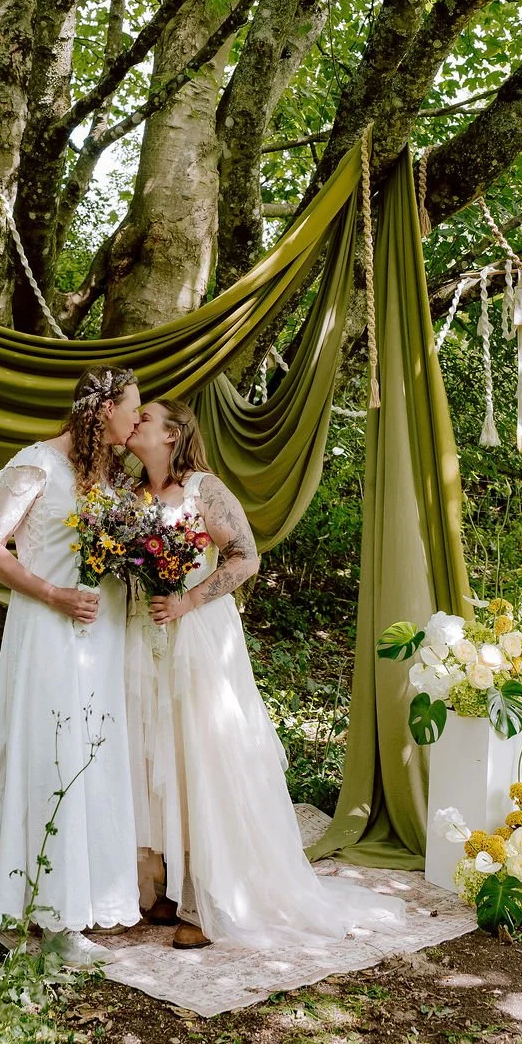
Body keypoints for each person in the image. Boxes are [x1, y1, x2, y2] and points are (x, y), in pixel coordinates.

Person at [124, 399, 405, 949]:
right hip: (141, 637)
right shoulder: (130, 496)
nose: (136, 422)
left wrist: (188, 600)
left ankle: (209, 901)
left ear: (174, 433)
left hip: (197, 637)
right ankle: (157, 883)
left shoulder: (204, 489)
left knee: (202, 757)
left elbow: (246, 557)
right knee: (151, 753)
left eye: (147, 418)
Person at [0, 368, 143, 964]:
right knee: (50, 757)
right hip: (48, 632)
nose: (137, 421)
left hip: (100, 636)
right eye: (131, 410)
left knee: (90, 757)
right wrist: (53, 594)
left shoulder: (109, 475)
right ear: (102, 409)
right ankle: (49, 919)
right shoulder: (35, 464)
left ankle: (72, 903)